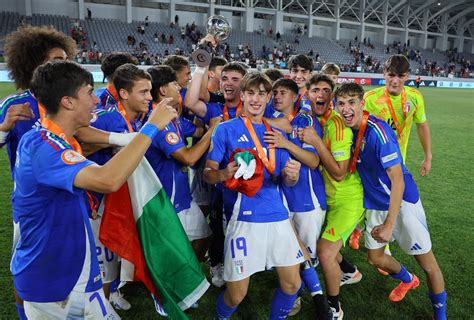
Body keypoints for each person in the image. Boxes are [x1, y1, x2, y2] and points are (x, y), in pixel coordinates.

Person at [12, 60, 177, 319]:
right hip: (55, 284)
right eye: (89, 92)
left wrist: (134, 135)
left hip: (71, 269)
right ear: (68, 102)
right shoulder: (43, 146)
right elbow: (107, 180)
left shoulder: (55, 136)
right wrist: (152, 126)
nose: (97, 101)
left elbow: (96, 137)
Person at [1, 26, 132, 320]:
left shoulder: (70, 106)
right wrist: (3, 129)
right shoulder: (14, 106)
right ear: (32, 65)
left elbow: (82, 134)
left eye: (63, 59)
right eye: (53, 61)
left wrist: (122, 140)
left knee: (74, 254)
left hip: (71, 189)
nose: (60, 65)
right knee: (29, 265)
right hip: (34, 203)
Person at [334, 82, 446, 320]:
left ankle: (441, 315)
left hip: (402, 202)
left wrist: (389, 224)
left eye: (351, 102)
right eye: (341, 104)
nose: (346, 109)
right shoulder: (343, 129)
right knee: (375, 258)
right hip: (375, 203)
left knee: (428, 263)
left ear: (362, 104)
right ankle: (408, 279)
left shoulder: (378, 132)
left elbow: (398, 181)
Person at [204, 72, 304, 319]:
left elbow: (286, 181)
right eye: (250, 93)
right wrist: (223, 174)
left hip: (278, 216)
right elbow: (207, 173)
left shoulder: (276, 135)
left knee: (292, 284)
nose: (256, 99)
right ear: (243, 95)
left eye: (261, 94)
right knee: (236, 294)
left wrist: (292, 175)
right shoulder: (226, 130)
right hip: (243, 219)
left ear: (269, 97)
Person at [264, 78, 332, 319]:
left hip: (308, 200)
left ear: (295, 97)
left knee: (307, 254)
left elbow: (314, 161)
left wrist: (285, 143)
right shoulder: (271, 118)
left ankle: (304, 296)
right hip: (282, 197)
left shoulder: (306, 121)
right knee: (289, 250)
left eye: (283, 93)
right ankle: (301, 292)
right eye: (275, 93)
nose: (277, 96)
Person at [299, 74, 365, 319]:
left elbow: (338, 173)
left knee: (324, 251)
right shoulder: (320, 119)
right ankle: (349, 271)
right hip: (332, 199)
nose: (321, 95)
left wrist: (317, 142)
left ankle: (334, 307)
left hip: (347, 200)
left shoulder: (337, 127)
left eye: (327, 91)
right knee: (324, 244)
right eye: (316, 90)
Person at [145, 65, 215, 261]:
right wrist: (214, 131)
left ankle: (187, 276)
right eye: (175, 84)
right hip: (166, 200)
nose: (179, 88)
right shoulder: (159, 122)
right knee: (165, 253)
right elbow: (188, 157)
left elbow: (197, 131)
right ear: (162, 90)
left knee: (204, 235)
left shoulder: (172, 117)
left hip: (182, 197)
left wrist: (207, 117)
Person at [364, 55, 432, 176]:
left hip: (399, 162)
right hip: (372, 163)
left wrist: (428, 157)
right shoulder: (369, 99)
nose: (395, 81)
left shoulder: (415, 97)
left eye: (400, 76)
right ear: (384, 74)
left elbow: (422, 126)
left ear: (407, 76)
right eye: (391, 75)